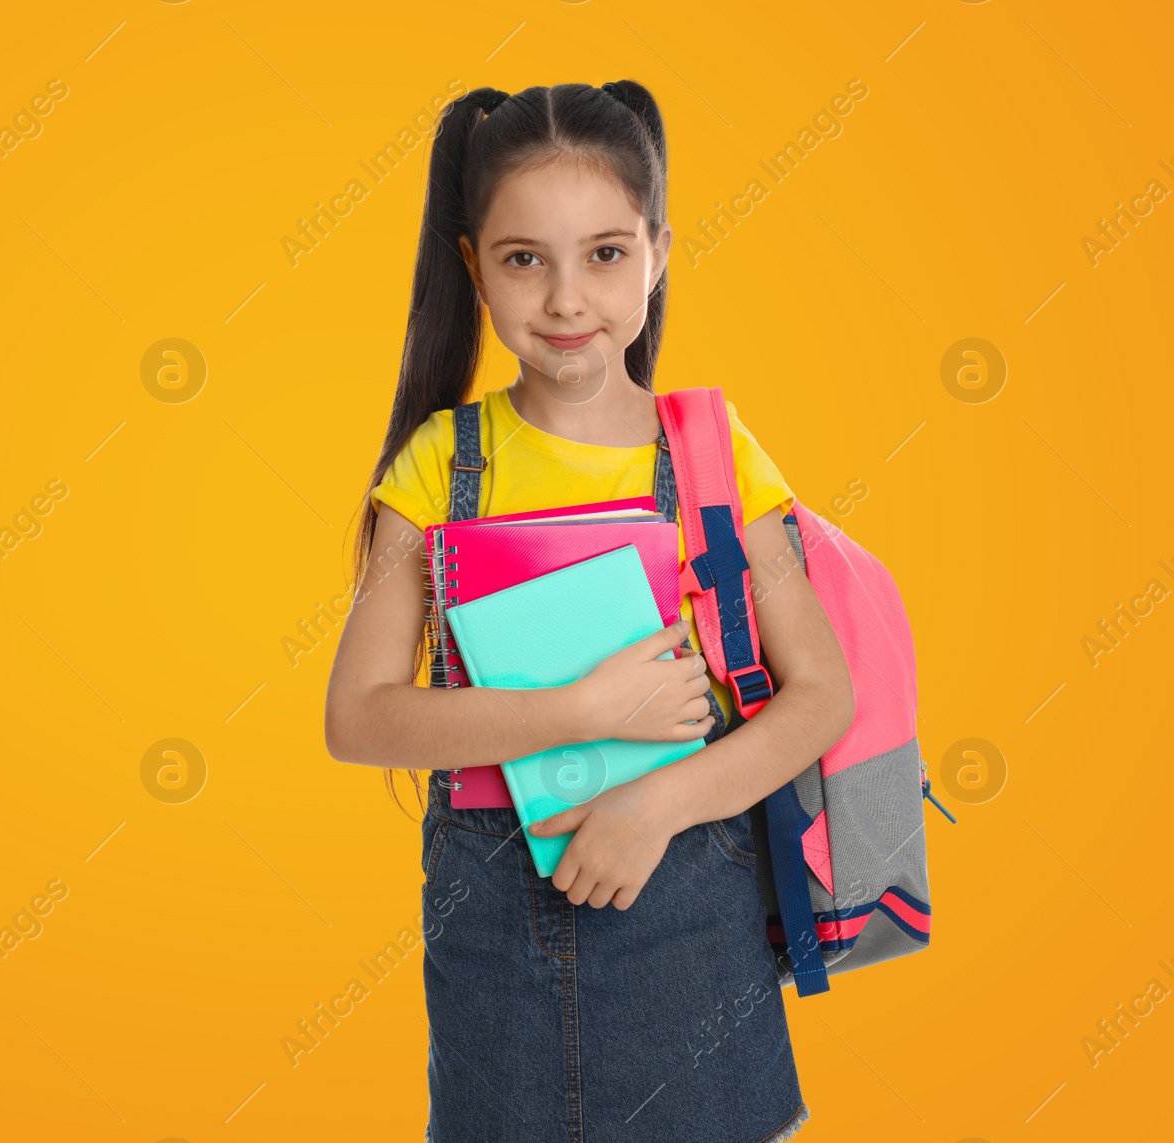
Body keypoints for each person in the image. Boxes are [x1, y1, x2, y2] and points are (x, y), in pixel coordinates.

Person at [323, 81, 855, 1143]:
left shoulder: (711, 453)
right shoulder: (437, 468)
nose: (567, 299)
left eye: (606, 254)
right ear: (474, 266)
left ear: (657, 252)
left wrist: (654, 807)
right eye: (525, 259)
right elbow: (360, 717)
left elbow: (821, 695)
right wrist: (585, 708)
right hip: (492, 937)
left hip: (692, 921)